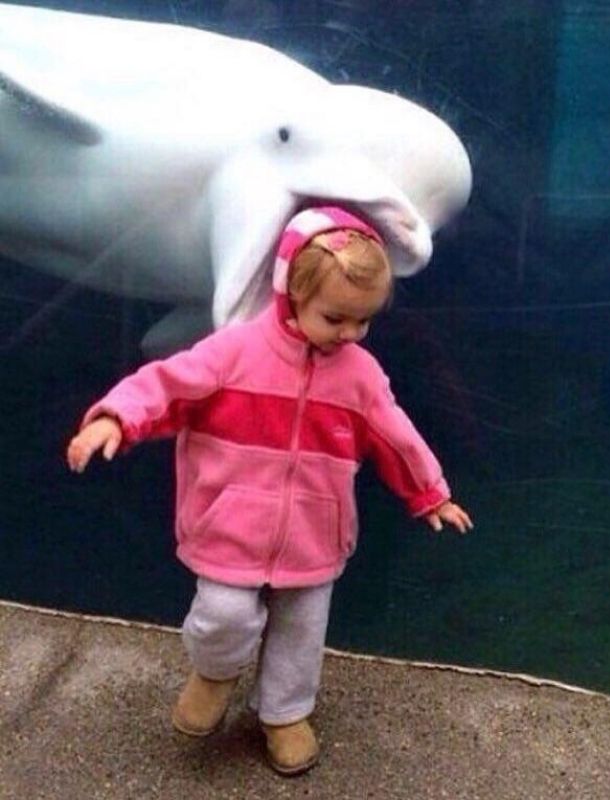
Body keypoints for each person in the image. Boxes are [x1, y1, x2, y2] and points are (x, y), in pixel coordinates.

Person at [66, 206, 473, 776]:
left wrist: (430, 493)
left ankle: (284, 712)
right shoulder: (233, 352)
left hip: (314, 534)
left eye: (364, 321)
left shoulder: (359, 374)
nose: (349, 334)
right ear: (290, 292)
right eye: (335, 318)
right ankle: (215, 672)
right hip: (229, 525)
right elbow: (165, 385)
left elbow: (394, 434)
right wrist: (116, 419)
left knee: (302, 631)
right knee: (223, 612)